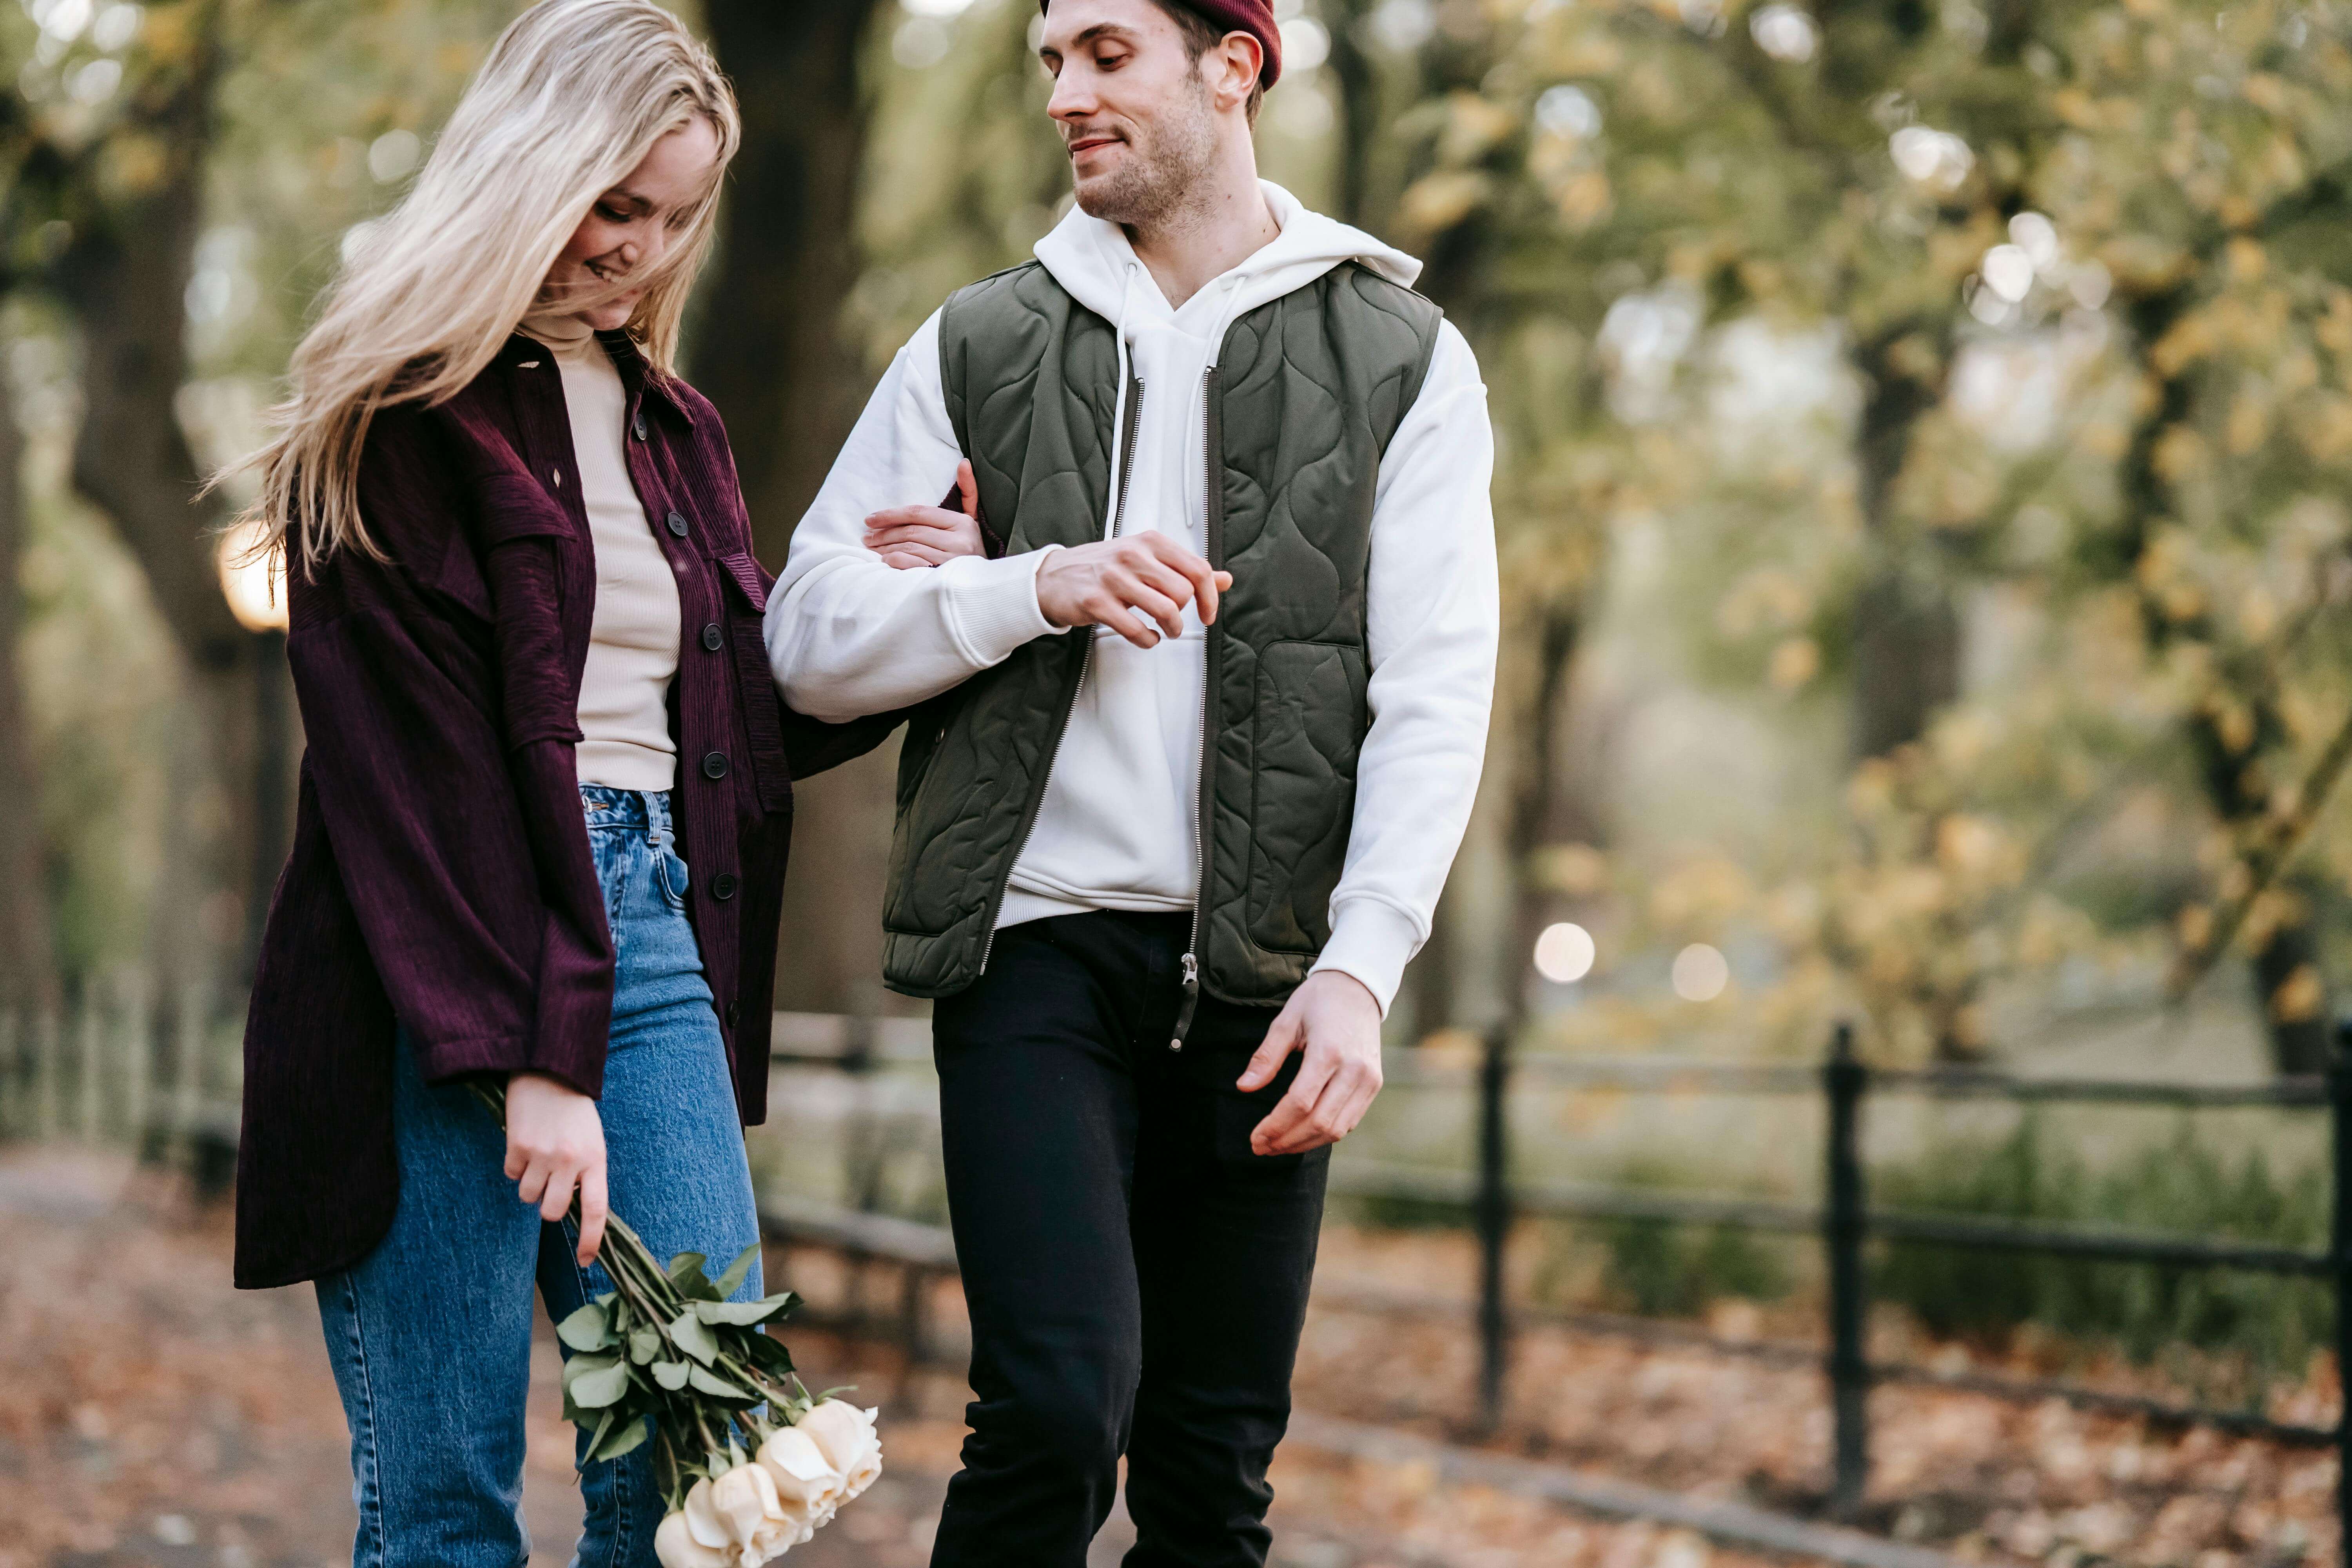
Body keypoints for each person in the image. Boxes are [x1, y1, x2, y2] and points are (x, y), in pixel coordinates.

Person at [223, 4, 971, 1563]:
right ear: (523, 166)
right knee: (444, 1501)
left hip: (655, 947)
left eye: (676, 215)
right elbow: (419, 794)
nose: (636, 249)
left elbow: (740, 735)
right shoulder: (390, 424)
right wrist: (530, 1060)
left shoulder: (675, 428)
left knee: (703, 1471)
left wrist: (905, 610)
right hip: (432, 987)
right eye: (613, 202)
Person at [767, 0, 1500, 1561]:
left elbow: (1438, 690)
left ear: (1234, 65)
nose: (1065, 93)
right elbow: (805, 647)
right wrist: (1023, 587)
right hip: (1034, 956)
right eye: (1049, 61)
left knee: (1211, 1466)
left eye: (1107, 54)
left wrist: (1363, 968)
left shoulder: (1403, 355)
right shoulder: (975, 340)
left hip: (1264, 982)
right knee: (1051, 1409)